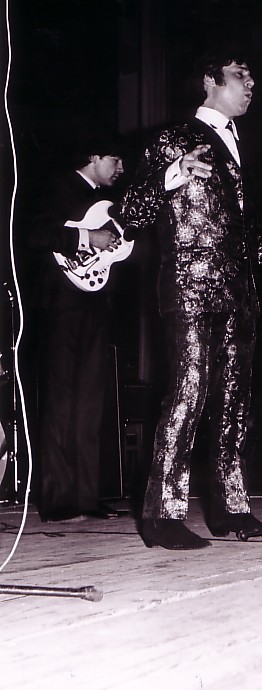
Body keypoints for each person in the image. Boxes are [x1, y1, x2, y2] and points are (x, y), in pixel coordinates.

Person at [121, 50, 262, 550]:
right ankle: (161, 515)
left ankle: (232, 510)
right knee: (189, 390)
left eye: (252, 76)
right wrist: (173, 173)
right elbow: (132, 210)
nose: (250, 84)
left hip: (238, 293)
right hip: (190, 284)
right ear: (210, 81)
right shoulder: (174, 138)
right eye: (239, 75)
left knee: (234, 402)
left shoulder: (238, 144)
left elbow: (244, 228)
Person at [29, 131, 129, 521]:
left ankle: (87, 497)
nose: (121, 168)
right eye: (115, 159)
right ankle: (57, 500)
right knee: (60, 400)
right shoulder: (58, 187)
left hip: (94, 302)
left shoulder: (110, 202)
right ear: (93, 157)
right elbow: (35, 233)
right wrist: (88, 236)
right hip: (60, 303)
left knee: (90, 400)